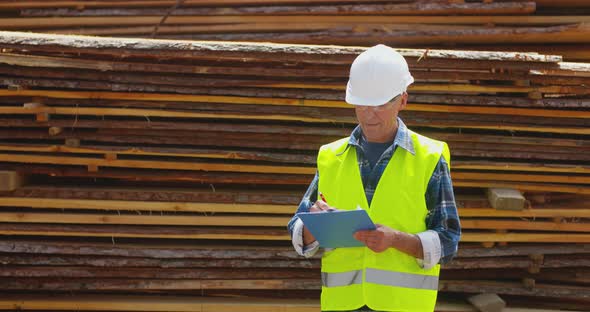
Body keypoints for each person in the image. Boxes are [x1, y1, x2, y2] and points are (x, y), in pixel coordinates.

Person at [287, 44, 461, 312]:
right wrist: (314, 225)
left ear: (403, 99)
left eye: (380, 104)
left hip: (402, 306)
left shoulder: (429, 157)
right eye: (363, 104)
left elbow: (448, 242)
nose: (370, 114)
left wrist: (397, 240)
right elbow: (298, 231)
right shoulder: (331, 157)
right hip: (342, 305)